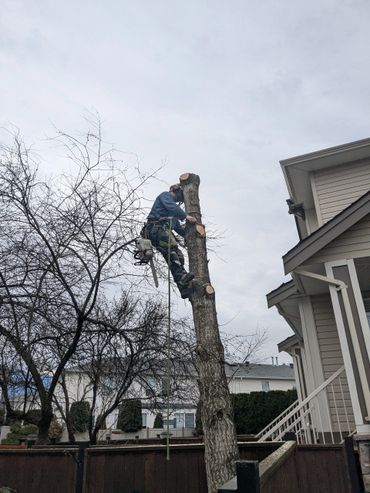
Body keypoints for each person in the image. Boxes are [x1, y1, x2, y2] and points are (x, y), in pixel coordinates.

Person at [144, 184, 197, 298]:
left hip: (162, 232)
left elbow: (178, 228)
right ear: (176, 190)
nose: (180, 199)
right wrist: (185, 216)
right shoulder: (165, 196)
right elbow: (171, 207)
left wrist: (190, 235)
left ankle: (183, 287)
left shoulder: (173, 215)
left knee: (179, 257)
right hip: (155, 229)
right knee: (171, 250)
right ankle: (181, 277)